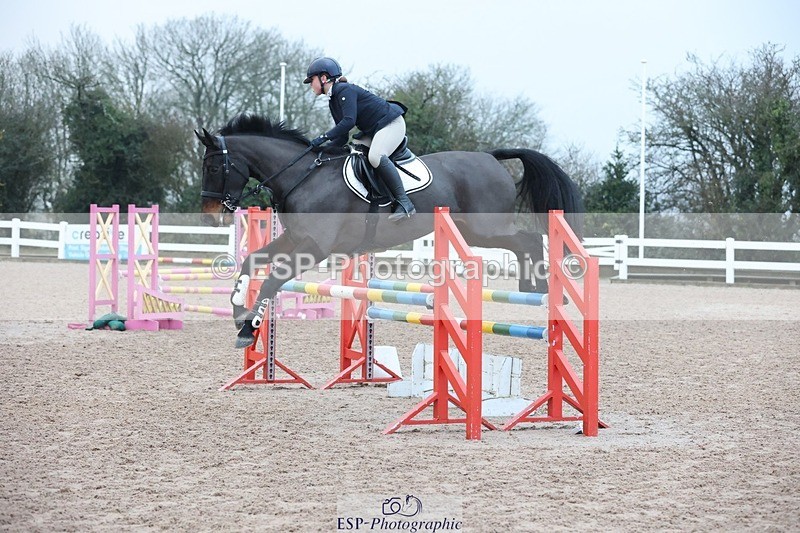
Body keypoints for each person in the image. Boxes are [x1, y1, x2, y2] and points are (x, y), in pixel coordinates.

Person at [304, 57, 416, 221]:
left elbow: (349, 121)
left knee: (375, 156)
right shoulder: (333, 100)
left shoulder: (344, 90)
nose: (310, 85)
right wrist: (321, 150)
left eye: (311, 80)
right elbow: (342, 137)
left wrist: (322, 137)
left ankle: (405, 202)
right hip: (374, 130)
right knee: (353, 153)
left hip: (391, 123)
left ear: (324, 78)